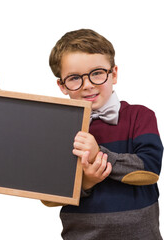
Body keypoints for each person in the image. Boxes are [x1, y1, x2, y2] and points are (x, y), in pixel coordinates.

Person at [43, 29, 163, 239]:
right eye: (74, 78)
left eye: (97, 73)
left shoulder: (140, 116)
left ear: (114, 74)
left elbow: (150, 169)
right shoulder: (57, 129)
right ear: (62, 86)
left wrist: (99, 154)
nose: (88, 85)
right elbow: (48, 197)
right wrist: (87, 183)